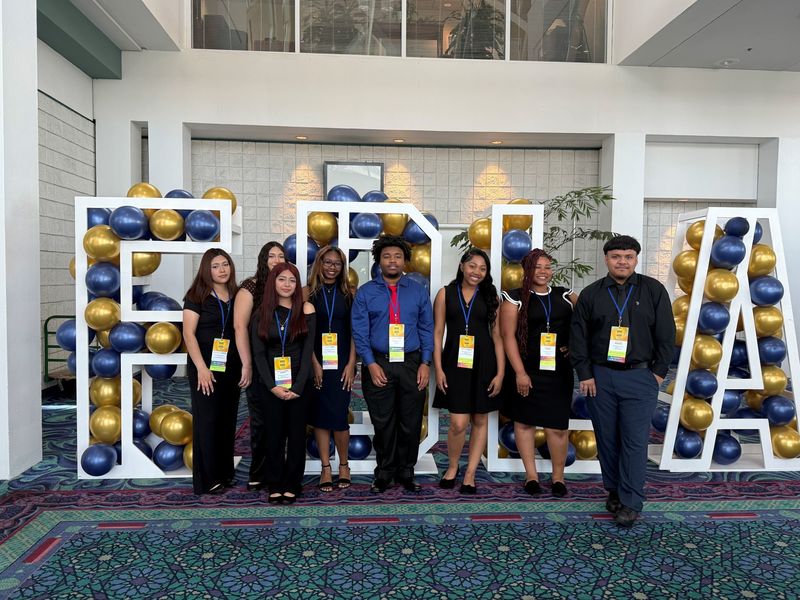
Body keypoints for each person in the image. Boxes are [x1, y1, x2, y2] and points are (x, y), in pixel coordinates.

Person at [570, 235, 675, 527]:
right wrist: (585, 374)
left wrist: (657, 373)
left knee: (634, 441)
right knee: (607, 439)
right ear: (606, 259)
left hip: (640, 376)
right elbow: (578, 337)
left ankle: (631, 501)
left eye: (628, 257)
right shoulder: (591, 294)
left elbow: (667, 335)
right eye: (616, 256)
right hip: (600, 377)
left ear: (636, 259)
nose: (622, 262)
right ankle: (614, 490)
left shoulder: (653, 290)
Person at [351, 235, 434, 493]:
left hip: (411, 363)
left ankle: (406, 471)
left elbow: (426, 328)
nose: (392, 261)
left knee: (410, 421)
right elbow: (360, 332)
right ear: (379, 261)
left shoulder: (417, 291)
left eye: (397, 256)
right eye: (387, 256)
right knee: (383, 421)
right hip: (379, 363)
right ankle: (385, 472)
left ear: (405, 261)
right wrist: (370, 364)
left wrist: (425, 363)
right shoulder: (366, 292)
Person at [500, 249, 577, 498]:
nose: (543, 272)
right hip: (527, 370)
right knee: (524, 423)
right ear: (526, 270)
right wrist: (520, 373)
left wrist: (574, 345)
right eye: (537, 267)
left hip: (559, 371)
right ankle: (531, 476)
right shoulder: (514, 298)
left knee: (558, 427)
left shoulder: (565, 295)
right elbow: (507, 337)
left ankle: (558, 478)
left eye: (547, 267)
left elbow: (587, 323)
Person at [433, 249, 504, 494]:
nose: (477, 272)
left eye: (483, 268)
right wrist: (438, 368)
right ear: (462, 266)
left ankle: (470, 473)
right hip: (454, 363)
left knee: (480, 419)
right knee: (457, 422)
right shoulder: (445, 293)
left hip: (485, 363)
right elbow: (437, 333)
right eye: (472, 266)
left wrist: (500, 373)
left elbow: (497, 336)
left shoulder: (491, 295)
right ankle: (453, 466)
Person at [249, 262, 316, 504]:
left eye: (292, 280)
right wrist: (272, 386)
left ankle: (292, 483)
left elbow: (308, 352)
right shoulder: (261, 314)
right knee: (274, 435)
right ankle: (275, 482)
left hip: (300, 383)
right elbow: (259, 355)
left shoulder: (306, 309)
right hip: (270, 384)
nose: (287, 284)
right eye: (282, 279)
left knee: (297, 435)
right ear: (273, 283)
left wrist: (297, 387)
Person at [182, 249, 242, 495]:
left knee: (227, 419)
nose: (222, 270)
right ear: (206, 270)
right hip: (204, 365)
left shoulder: (237, 295)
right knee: (207, 420)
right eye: (215, 266)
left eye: (225, 264)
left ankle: (225, 472)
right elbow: (188, 334)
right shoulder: (196, 295)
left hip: (231, 365)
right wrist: (201, 368)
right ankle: (207, 479)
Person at [304, 246, 357, 492]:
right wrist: (313, 363)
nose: (332, 267)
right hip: (316, 362)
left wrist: (351, 363)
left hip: (342, 362)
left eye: (337, 263)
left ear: (342, 267)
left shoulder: (350, 293)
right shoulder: (306, 293)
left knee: (339, 415)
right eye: (327, 262)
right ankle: (326, 467)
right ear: (319, 263)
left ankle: (344, 465)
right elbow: (303, 332)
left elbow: (356, 332)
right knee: (320, 416)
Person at [234, 241, 285, 492]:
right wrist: (247, 364)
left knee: (280, 419)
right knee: (260, 420)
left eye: (281, 256)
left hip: (282, 363)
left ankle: (276, 470)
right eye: (271, 255)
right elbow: (240, 327)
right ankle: (258, 471)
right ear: (263, 259)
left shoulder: (285, 287)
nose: (276, 260)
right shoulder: (250, 287)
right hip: (255, 362)